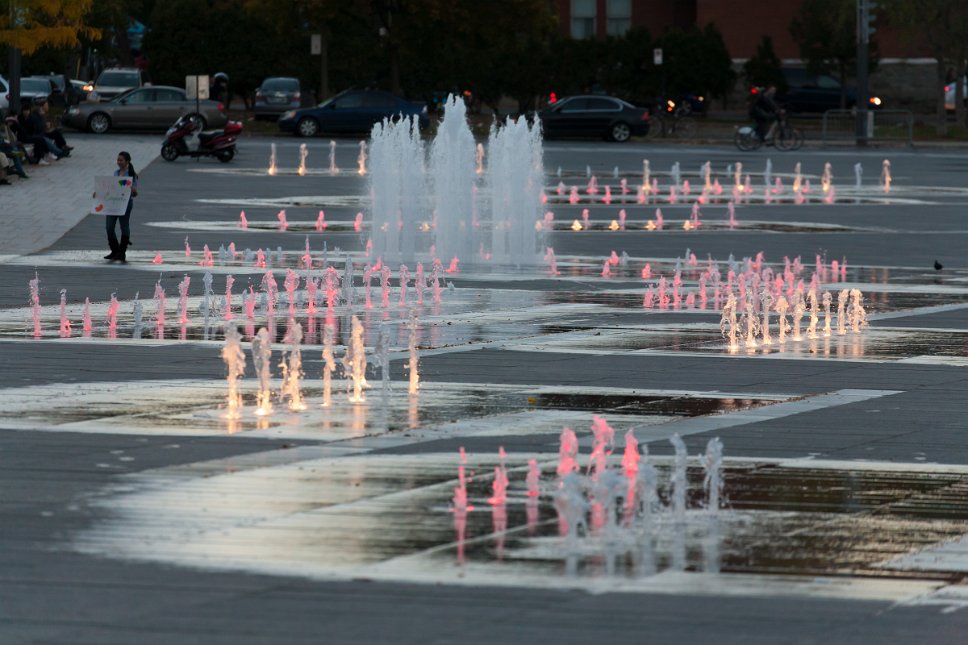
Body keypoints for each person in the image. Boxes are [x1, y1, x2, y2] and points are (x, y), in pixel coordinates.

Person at [104, 151, 139, 262]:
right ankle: (114, 250)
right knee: (109, 227)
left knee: (124, 226)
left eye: (121, 160)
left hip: (125, 203)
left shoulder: (131, 174)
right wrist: (99, 193)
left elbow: (135, 193)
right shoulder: (115, 173)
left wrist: (133, 190)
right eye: (118, 160)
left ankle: (122, 251)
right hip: (113, 203)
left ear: (127, 162)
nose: (118, 162)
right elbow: (111, 187)